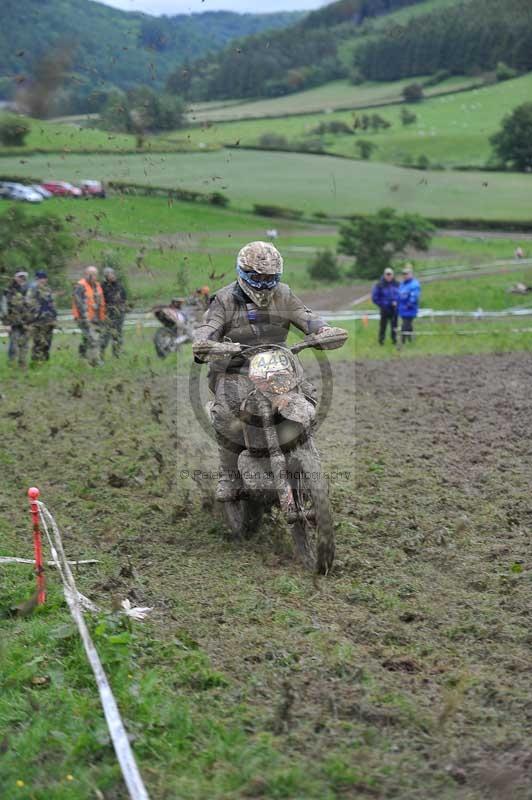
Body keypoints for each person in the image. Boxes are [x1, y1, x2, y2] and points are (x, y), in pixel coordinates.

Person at [192, 241, 334, 501]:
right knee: (227, 417)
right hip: (235, 369)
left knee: (305, 402)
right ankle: (229, 475)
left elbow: (305, 316)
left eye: (271, 278)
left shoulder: (284, 294)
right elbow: (209, 326)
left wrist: (323, 330)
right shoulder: (224, 299)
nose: (265, 283)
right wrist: (206, 343)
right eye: (258, 277)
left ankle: (306, 458)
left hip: (277, 367)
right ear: (244, 273)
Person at [72, 266, 106, 366]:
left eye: (96, 274)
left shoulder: (97, 286)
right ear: (86, 274)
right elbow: (79, 304)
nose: (94, 276)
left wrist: (102, 317)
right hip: (85, 318)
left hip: (97, 318)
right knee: (92, 339)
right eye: (92, 274)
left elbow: (101, 302)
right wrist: (85, 319)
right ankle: (94, 361)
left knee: (92, 339)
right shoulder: (80, 286)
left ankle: (84, 358)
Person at [27, 270, 57, 362]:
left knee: (47, 343)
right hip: (37, 321)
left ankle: (45, 361)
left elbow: (52, 304)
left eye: (44, 278)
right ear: (36, 279)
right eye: (40, 278)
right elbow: (28, 304)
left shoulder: (48, 290)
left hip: (49, 321)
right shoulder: (32, 289)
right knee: (38, 343)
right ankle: (36, 362)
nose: (42, 280)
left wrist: (55, 317)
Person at [1, 271, 30, 367]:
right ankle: (11, 363)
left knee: (25, 345)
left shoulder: (28, 290)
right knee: (14, 344)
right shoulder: (8, 290)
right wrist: (6, 323)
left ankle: (22, 364)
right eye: (20, 277)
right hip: (13, 323)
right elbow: (3, 307)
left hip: (26, 321)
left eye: (24, 277)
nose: (22, 279)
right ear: (15, 277)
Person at [100, 267, 127, 359]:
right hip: (108, 314)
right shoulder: (102, 287)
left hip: (119, 314)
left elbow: (124, 298)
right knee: (106, 335)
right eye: (110, 274)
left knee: (118, 334)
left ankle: (116, 355)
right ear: (106, 276)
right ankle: (101, 355)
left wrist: (122, 309)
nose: (112, 276)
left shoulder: (119, 286)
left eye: (113, 274)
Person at [371, 267, 399, 345]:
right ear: (384, 275)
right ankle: (381, 341)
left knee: (395, 326)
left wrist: (397, 302)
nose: (389, 276)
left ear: (393, 275)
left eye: (390, 274)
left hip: (395, 309)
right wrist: (383, 304)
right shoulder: (379, 285)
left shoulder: (397, 284)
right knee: (383, 326)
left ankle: (395, 341)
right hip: (384, 309)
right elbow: (375, 298)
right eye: (387, 274)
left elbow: (400, 295)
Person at [397, 264, 421, 343]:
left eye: (407, 274)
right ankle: (411, 340)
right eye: (404, 274)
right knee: (408, 324)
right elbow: (399, 294)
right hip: (402, 308)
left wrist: (410, 303)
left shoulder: (414, 284)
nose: (405, 275)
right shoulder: (402, 284)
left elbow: (415, 295)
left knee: (405, 324)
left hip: (410, 308)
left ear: (411, 274)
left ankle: (403, 341)